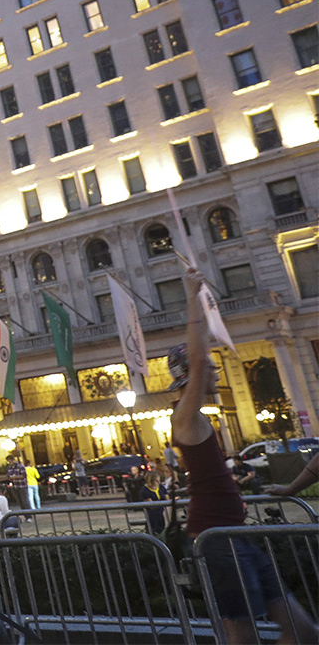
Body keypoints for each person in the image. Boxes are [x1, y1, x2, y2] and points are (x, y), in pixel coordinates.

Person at [168, 268, 317, 645]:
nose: (217, 373)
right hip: (217, 540)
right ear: (189, 375)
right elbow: (201, 359)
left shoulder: (198, 420)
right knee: (241, 636)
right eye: (210, 369)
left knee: (303, 631)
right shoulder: (185, 418)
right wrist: (192, 298)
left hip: (237, 536)